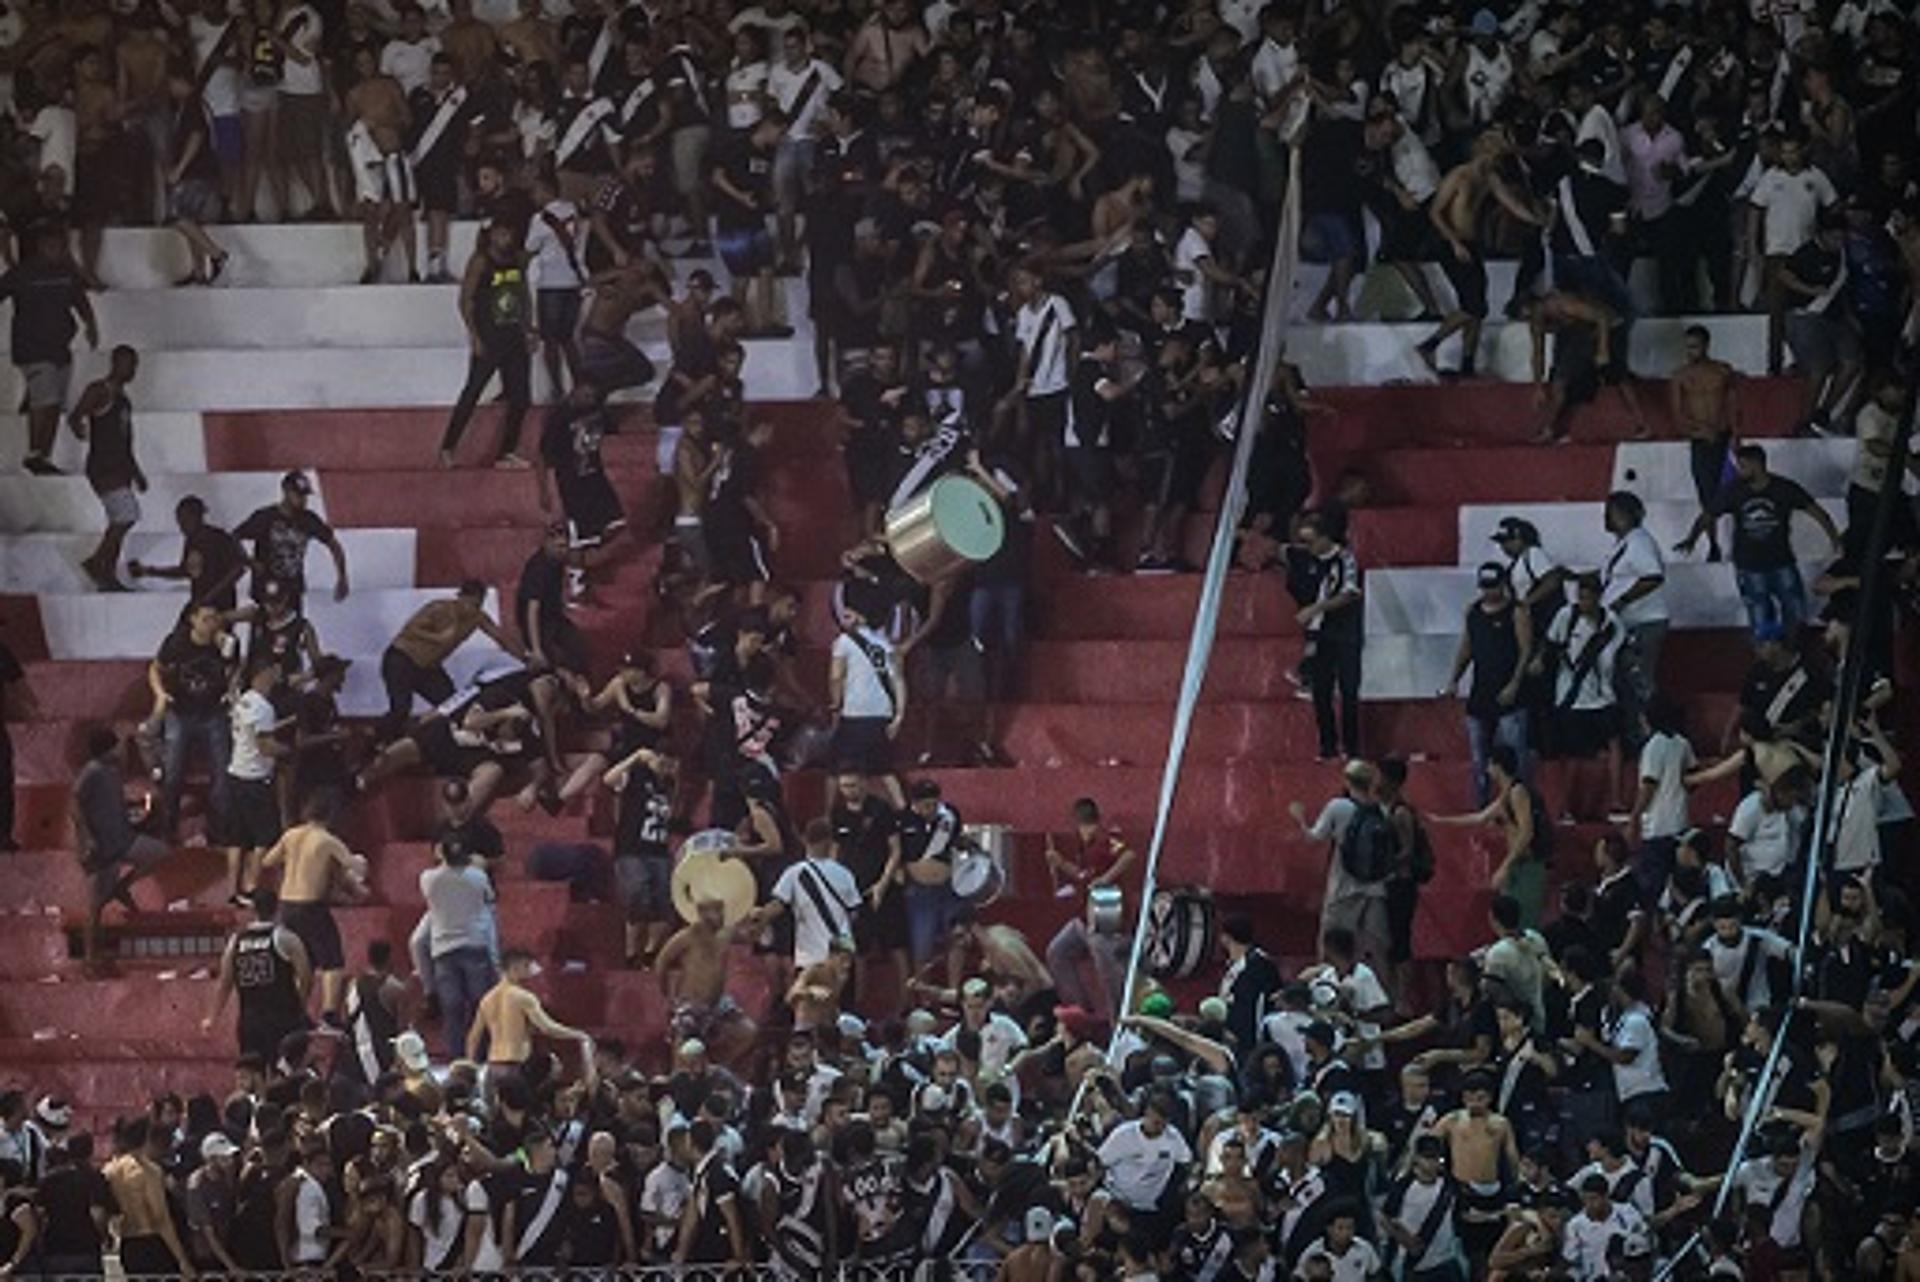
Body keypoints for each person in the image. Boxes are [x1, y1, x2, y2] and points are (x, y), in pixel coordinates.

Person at [1677, 443, 1843, 638]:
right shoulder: (1734, 490)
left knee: (1796, 618)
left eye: (1743, 466)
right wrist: (1691, 538)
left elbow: (1818, 513)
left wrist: (1834, 539)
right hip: (1750, 566)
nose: (1740, 471)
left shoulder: (1783, 488)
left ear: (1758, 464)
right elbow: (1708, 515)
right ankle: (1770, 658)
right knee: (1761, 621)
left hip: (1782, 561)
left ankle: (1796, 653)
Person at [260, 790, 368, 1022]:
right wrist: (358, 867)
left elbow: (267, 860)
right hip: (310, 905)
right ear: (331, 816)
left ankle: (296, 1010)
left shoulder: (291, 835)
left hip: (286, 904)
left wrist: (292, 864)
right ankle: (329, 1013)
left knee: (302, 961)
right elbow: (354, 866)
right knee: (333, 961)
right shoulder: (327, 840)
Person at [1, 220, 99, 475]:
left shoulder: (67, 273)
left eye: (59, 245)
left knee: (55, 404)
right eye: (51, 245)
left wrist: (91, 324)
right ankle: (34, 451)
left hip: (59, 348)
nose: (55, 250)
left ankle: (44, 455)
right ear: (41, 246)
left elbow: (80, 300)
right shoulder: (23, 273)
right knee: (45, 400)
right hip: (32, 349)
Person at [70, 726, 171, 969]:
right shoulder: (92, 771)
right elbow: (75, 804)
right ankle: (90, 957)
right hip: (102, 848)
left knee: (159, 853)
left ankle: (121, 888)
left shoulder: (113, 771)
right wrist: (86, 838)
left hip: (123, 839)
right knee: (95, 907)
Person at [440, 220, 536, 470]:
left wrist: (528, 328)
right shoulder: (481, 261)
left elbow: (523, 295)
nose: (506, 238)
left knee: (521, 397)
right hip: (490, 336)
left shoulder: (516, 259)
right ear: (491, 235)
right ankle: (448, 447)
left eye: (509, 232)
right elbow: (465, 300)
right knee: (472, 392)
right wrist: (475, 336)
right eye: (501, 232)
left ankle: (507, 451)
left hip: (513, 334)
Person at [376, 581, 522, 742]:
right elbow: (410, 630)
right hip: (402, 660)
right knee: (401, 708)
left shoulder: (477, 617)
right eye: (470, 604)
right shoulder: (440, 608)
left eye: (478, 605)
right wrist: (437, 637)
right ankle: (377, 740)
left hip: (428, 669)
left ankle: (431, 741)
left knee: (453, 705)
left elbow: (500, 637)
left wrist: (524, 658)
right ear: (461, 598)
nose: (472, 609)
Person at [1444, 562, 1532, 805]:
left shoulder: (1516, 611)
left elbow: (1525, 650)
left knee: (1515, 758)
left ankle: (1522, 806)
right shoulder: (1473, 612)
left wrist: (1515, 683)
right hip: (1481, 692)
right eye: (1484, 587)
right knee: (1478, 760)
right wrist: (1454, 679)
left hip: (1509, 694)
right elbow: (1467, 647)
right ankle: (1482, 805)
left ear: (1503, 585)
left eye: (1493, 587)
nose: (1488, 592)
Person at [65, 345, 147, 591]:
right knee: (125, 515)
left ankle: (100, 565)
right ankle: (102, 567)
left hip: (118, 466)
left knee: (122, 518)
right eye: (128, 363)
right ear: (116, 362)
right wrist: (78, 427)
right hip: (103, 466)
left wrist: (136, 471)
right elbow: (76, 414)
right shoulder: (100, 390)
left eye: (134, 364)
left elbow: (126, 440)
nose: (132, 369)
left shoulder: (123, 400)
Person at [201, 887, 312, 1063]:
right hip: (283, 1018)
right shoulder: (286, 938)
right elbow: (306, 976)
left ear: (253, 910)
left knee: (253, 1073)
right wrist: (301, 1005)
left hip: (249, 1021)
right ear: (277, 909)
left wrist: (212, 1017)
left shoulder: (236, 942)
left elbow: (225, 982)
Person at [418, 831, 498, 1058]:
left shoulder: (428, 878)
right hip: (475, 945)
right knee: (478, 1007)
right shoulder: (477, 876)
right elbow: (489, 899)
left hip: (444, 949)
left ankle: (456, 1057)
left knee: (451, 1007)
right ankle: (478, 1056)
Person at [1668, 325, 1742, 561]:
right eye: (1688, 347)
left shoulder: (1722, 371)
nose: (1691, 352)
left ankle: (1739, 541)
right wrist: (1700, 430)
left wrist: (1737, 434)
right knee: (1706, 496)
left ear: (1706, 345)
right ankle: (1713, 544)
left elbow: (1733, 404)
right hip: (1700, 441)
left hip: (1724, 437)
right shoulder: (1680, 376)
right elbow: (1678, 414)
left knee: (1735, 492)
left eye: (1696, 346)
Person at [467, 947, 593, 1084]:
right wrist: (578, 1034)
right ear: (515, 967)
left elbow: (473, 1038)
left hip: (493, 1065)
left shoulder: (487, 999)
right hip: (517, 1064)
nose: (530, 972)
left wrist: (471, 1068)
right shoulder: (523, 997)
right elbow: (547, 1027)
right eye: (526, 966)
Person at [1296, 511, 1364, 761]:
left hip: (1346, 635)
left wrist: (1316, 608)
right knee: (1320, 692)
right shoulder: (1307, 562)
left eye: (1311, 540)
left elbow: (1349, 593)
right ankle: (1328, 747)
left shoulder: (1345, 559)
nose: (1308, 546)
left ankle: (1352, 748)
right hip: (1320, 634)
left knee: (1348, 692)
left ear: (1325, 538)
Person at [233, 470, 350, 604]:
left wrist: (342, 577)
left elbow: (334, 545)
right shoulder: (265, 517)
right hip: (266, 587)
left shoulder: (309, 520)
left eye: (305, 496)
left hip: (292, 588)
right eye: (298, 495)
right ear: (286, 492)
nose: (303, 500)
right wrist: (250, 561)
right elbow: (234, 537)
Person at [104, 1115, 197, 1278]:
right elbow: (160, 1217)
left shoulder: (111, 1170)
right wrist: (182, 1259)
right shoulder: (149, 1171)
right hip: (152, 1241)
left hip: (128, 1241)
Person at [126, 496, 247, 610]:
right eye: (180, 522)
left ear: (197, 517)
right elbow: (185, 571)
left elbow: (238, 568)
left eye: (185, 521)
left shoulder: (218, 538)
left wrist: (211, 596)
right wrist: (148, 571)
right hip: (200, 602)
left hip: (218, 605)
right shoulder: (192, 540)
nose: (182, 527)